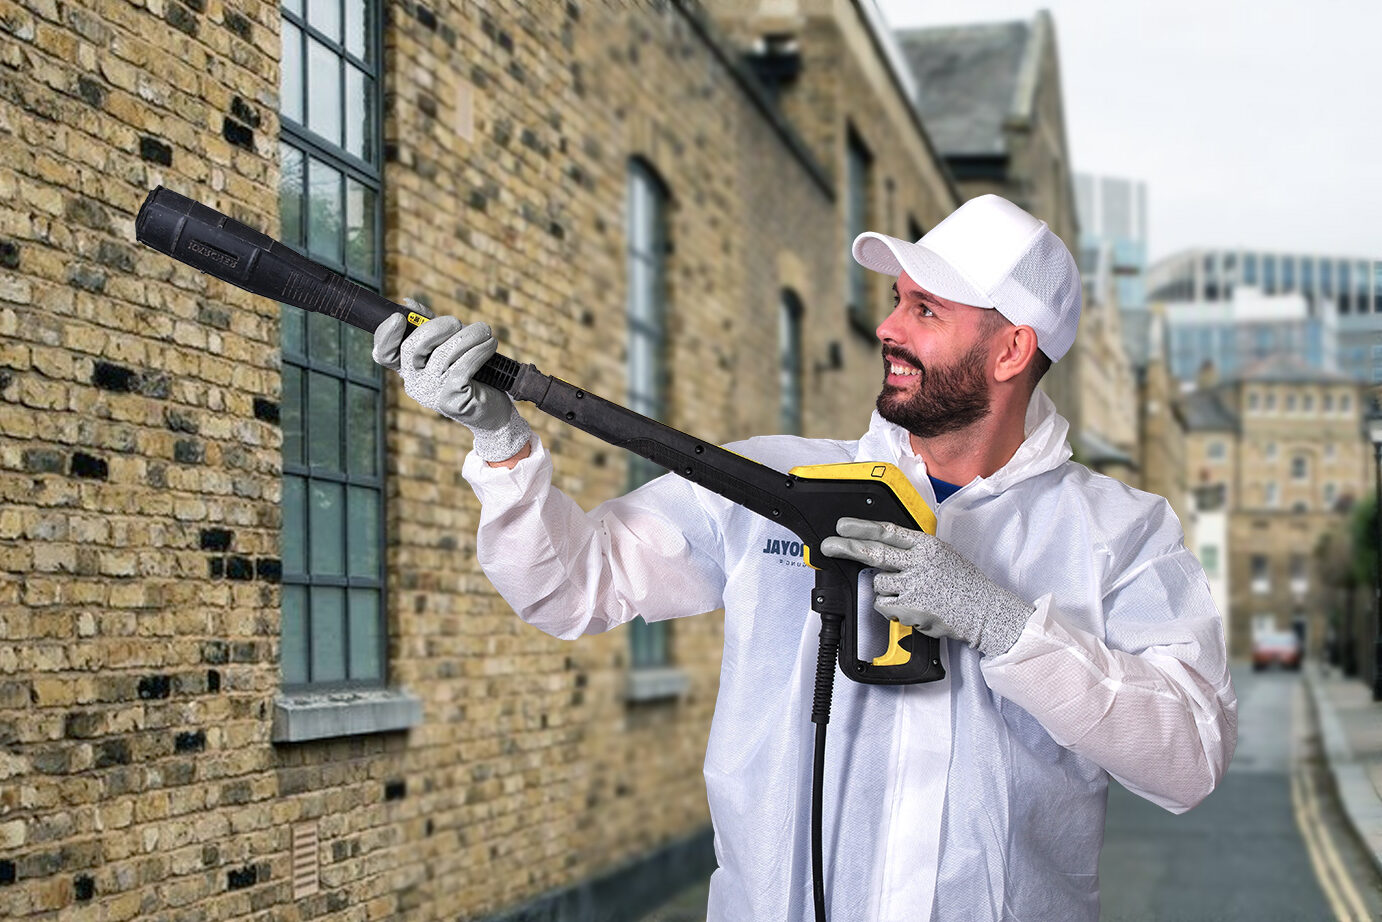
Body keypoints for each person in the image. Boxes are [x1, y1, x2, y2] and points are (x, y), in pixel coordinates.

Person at [372, 194, 1237, 922]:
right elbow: (573, 587)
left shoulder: (1119, 533)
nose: (888, 327)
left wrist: (1003, 626)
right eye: (897, 299)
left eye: (925, 310)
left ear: (1012, 349)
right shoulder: (772, 483)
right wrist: (501, 445)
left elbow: (1190, 757)